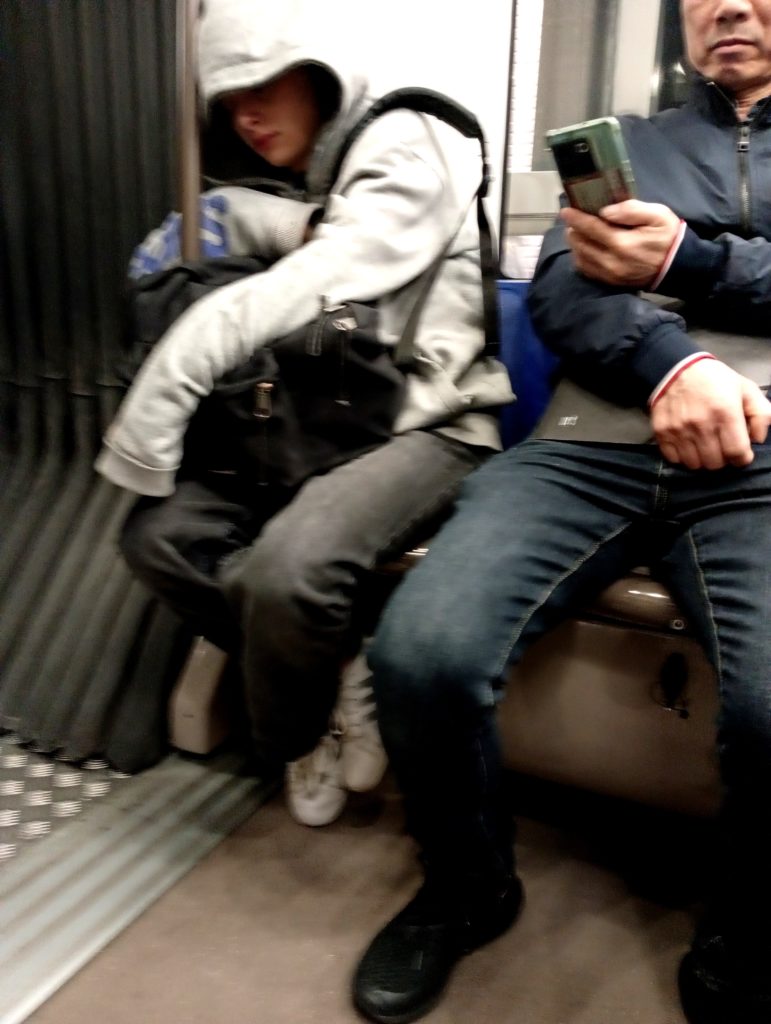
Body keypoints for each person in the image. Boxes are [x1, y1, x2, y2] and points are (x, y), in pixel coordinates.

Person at [352, 2, 771, 1023]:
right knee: (421, 650)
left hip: (760, 460)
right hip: (591, 441)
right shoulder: (628, 144)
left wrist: (688, 263)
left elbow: (663, 271)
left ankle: (746, 933)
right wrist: (674, 363)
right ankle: (468, 886)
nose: (725, 6)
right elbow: (562, 293)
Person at [95, 0, 513, 828]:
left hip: (432, 425)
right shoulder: (328, 170)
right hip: (330, 419)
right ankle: (341, 660)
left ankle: (293, 733)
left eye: (261, 85)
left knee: (284, 573)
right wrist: (246, 217)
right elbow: (318, 237)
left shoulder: (409, 139)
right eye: (227, 102)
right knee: (158, 539)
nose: (245, 116)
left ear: (319, 76)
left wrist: (167, 390)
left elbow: (322, 273)